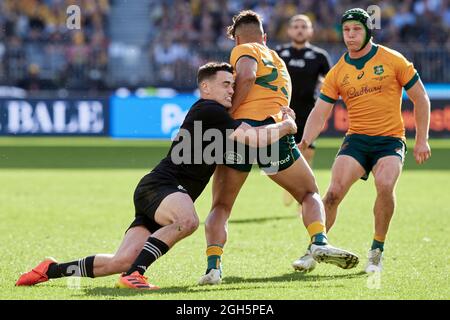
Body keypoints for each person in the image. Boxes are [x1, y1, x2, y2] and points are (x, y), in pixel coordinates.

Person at [15, 62, 298, 289]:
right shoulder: (209, 108)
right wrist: (286, 126)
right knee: (187, 221)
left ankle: (50, 270)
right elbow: (254, 138)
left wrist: (274, 121)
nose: (231, 90)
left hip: (155, 191)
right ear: (205, 86)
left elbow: (246, 137)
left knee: (119, 261)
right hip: (163, 187)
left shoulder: (215, 117)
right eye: (225, 84)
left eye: (233, 85)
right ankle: (136, 274)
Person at [199, 10, 358, 286]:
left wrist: (230, 115)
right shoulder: (278, 60)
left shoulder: (243, 50)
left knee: (222, 205)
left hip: (242, 133)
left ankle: (214, 267)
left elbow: (246, 76)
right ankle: (319, 240)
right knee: (309, 192)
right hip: (275, 134)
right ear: (265, 36)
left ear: (236, 38)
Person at [297, 8, 431, 274]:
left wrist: (422, 140)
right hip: (356, 140)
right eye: (346, 30)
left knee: (384, 185)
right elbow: (320, 112)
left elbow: (421, 99)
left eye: (356, 29)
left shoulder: (392, 59)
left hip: (390, 140)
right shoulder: (338, 72)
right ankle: (314, 248)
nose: (350, 35)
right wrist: (305, 141)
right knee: (333, 194)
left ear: (368, 30)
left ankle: (376, 251)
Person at [275, 14, 332, 206]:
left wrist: (324, 85)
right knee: (283, 152)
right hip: (283, 111)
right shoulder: (279, 53)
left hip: (309, 111)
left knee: (306, 152)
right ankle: (289, 187)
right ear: (289, 30)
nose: (299, 29)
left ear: (310, 31)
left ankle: (304, 195)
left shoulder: (319, 56)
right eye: (296, 26)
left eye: (304, 26)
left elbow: (330, 82)